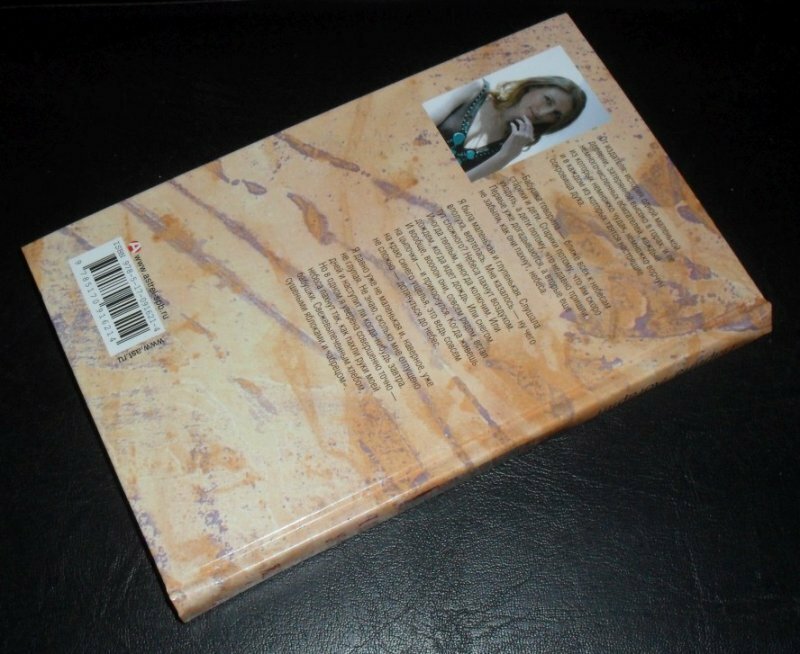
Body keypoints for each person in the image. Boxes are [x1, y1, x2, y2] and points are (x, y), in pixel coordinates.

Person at [430, 76, 587, 181]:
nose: (543, 113)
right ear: (533, 87)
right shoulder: (476, 89)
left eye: (555, 114)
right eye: (547, 100)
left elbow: (457, 188)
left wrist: (505, 157)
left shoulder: (511, 146)